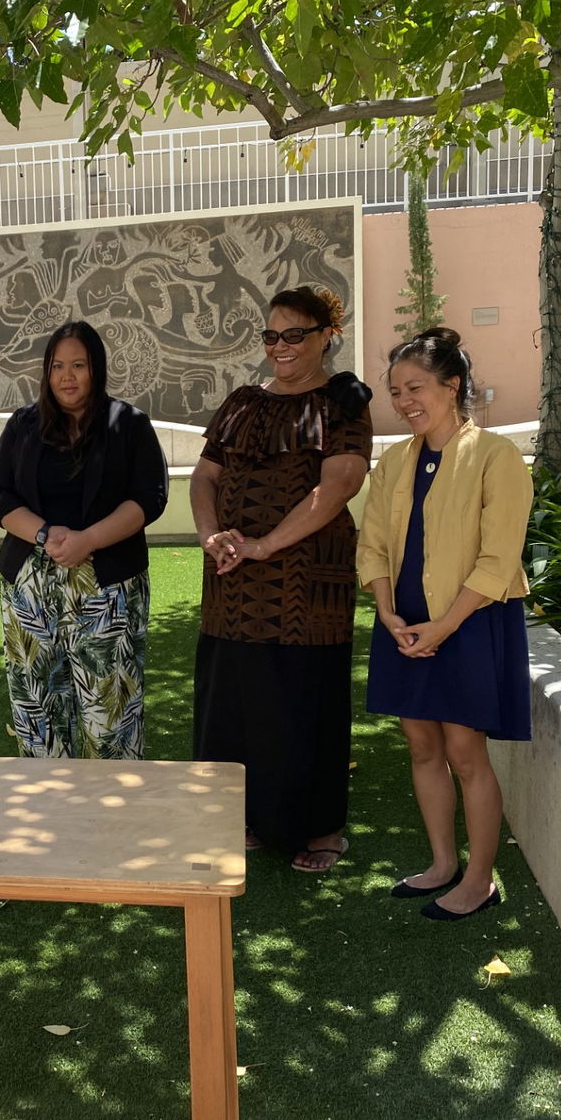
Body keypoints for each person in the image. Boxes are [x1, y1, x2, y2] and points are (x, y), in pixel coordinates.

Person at [190, 286, 372, 873]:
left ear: (326, 336)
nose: (280, 346)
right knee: (234, 701)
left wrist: (265, 544)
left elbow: (338, 485)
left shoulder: (342, 402)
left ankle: (319, 829)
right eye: (272, 335)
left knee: (303, 702)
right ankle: (240, 816)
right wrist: (210, 534)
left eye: (294, 334)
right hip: (232, 583)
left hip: (306, 588)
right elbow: (204, 476)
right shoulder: (242, 401)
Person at [358, 327, 533, 921]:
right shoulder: (393, 461)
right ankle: (441, 864)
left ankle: (479, 880)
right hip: (404, 626)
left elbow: (498, 558)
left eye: (416, 387)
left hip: (470, 623)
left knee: (464, 751)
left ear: (451, 386)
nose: (404, 401)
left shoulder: (495, 456)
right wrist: (388, 613)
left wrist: (443, 627)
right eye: (395, 391)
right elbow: (373, 544)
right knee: (421, 744)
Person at [0, 321, 168, 759]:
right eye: (57, 366)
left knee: (109, 722)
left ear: (96, 368)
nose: (67, 376)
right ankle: (49, 803)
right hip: (30, 589)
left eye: (79, 365)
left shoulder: (128, 424)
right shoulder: (24, 424)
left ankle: (114, 803)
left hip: (108, 590)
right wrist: (44, 533)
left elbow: (150, 497)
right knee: (39, 718)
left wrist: (88, 540)